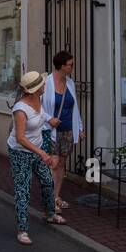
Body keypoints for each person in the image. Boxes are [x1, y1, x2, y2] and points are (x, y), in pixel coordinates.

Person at [8, 70, 66, 245]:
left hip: (38, 148)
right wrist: (41, 152)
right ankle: (22, 230)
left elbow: (40, 115)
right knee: (23, 189)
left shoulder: (37, 101)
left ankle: (50, 214)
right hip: (20, 153)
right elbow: (20, 138)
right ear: (34, 90)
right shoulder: (20, 109)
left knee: (48, 181)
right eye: (42, 84)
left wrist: (50, 119)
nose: (45, 85)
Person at [43, 51, 83, 212]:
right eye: (70, 64)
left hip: (67, 130)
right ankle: (49, 201)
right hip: (51, 130)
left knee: (61, 165)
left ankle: (56, 196)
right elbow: (37, 108)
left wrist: (79, 128)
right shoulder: (46, 83)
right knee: (53, 164)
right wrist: (48, 118)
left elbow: (75, 108)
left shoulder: (70, 83)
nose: (73, 67)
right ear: (61, 66)